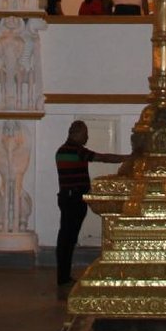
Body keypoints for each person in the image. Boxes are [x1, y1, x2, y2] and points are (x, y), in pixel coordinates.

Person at [54, 120, 130, 295]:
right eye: (85, 133)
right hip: (74, 200)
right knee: (68, 239)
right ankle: (63, 278)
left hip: (67, 198)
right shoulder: (76, 151)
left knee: (65, 238)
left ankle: (63, 276)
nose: (87, 137)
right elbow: (103, 158)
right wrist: (127, 158)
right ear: (76, 133)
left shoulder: (61, 151)